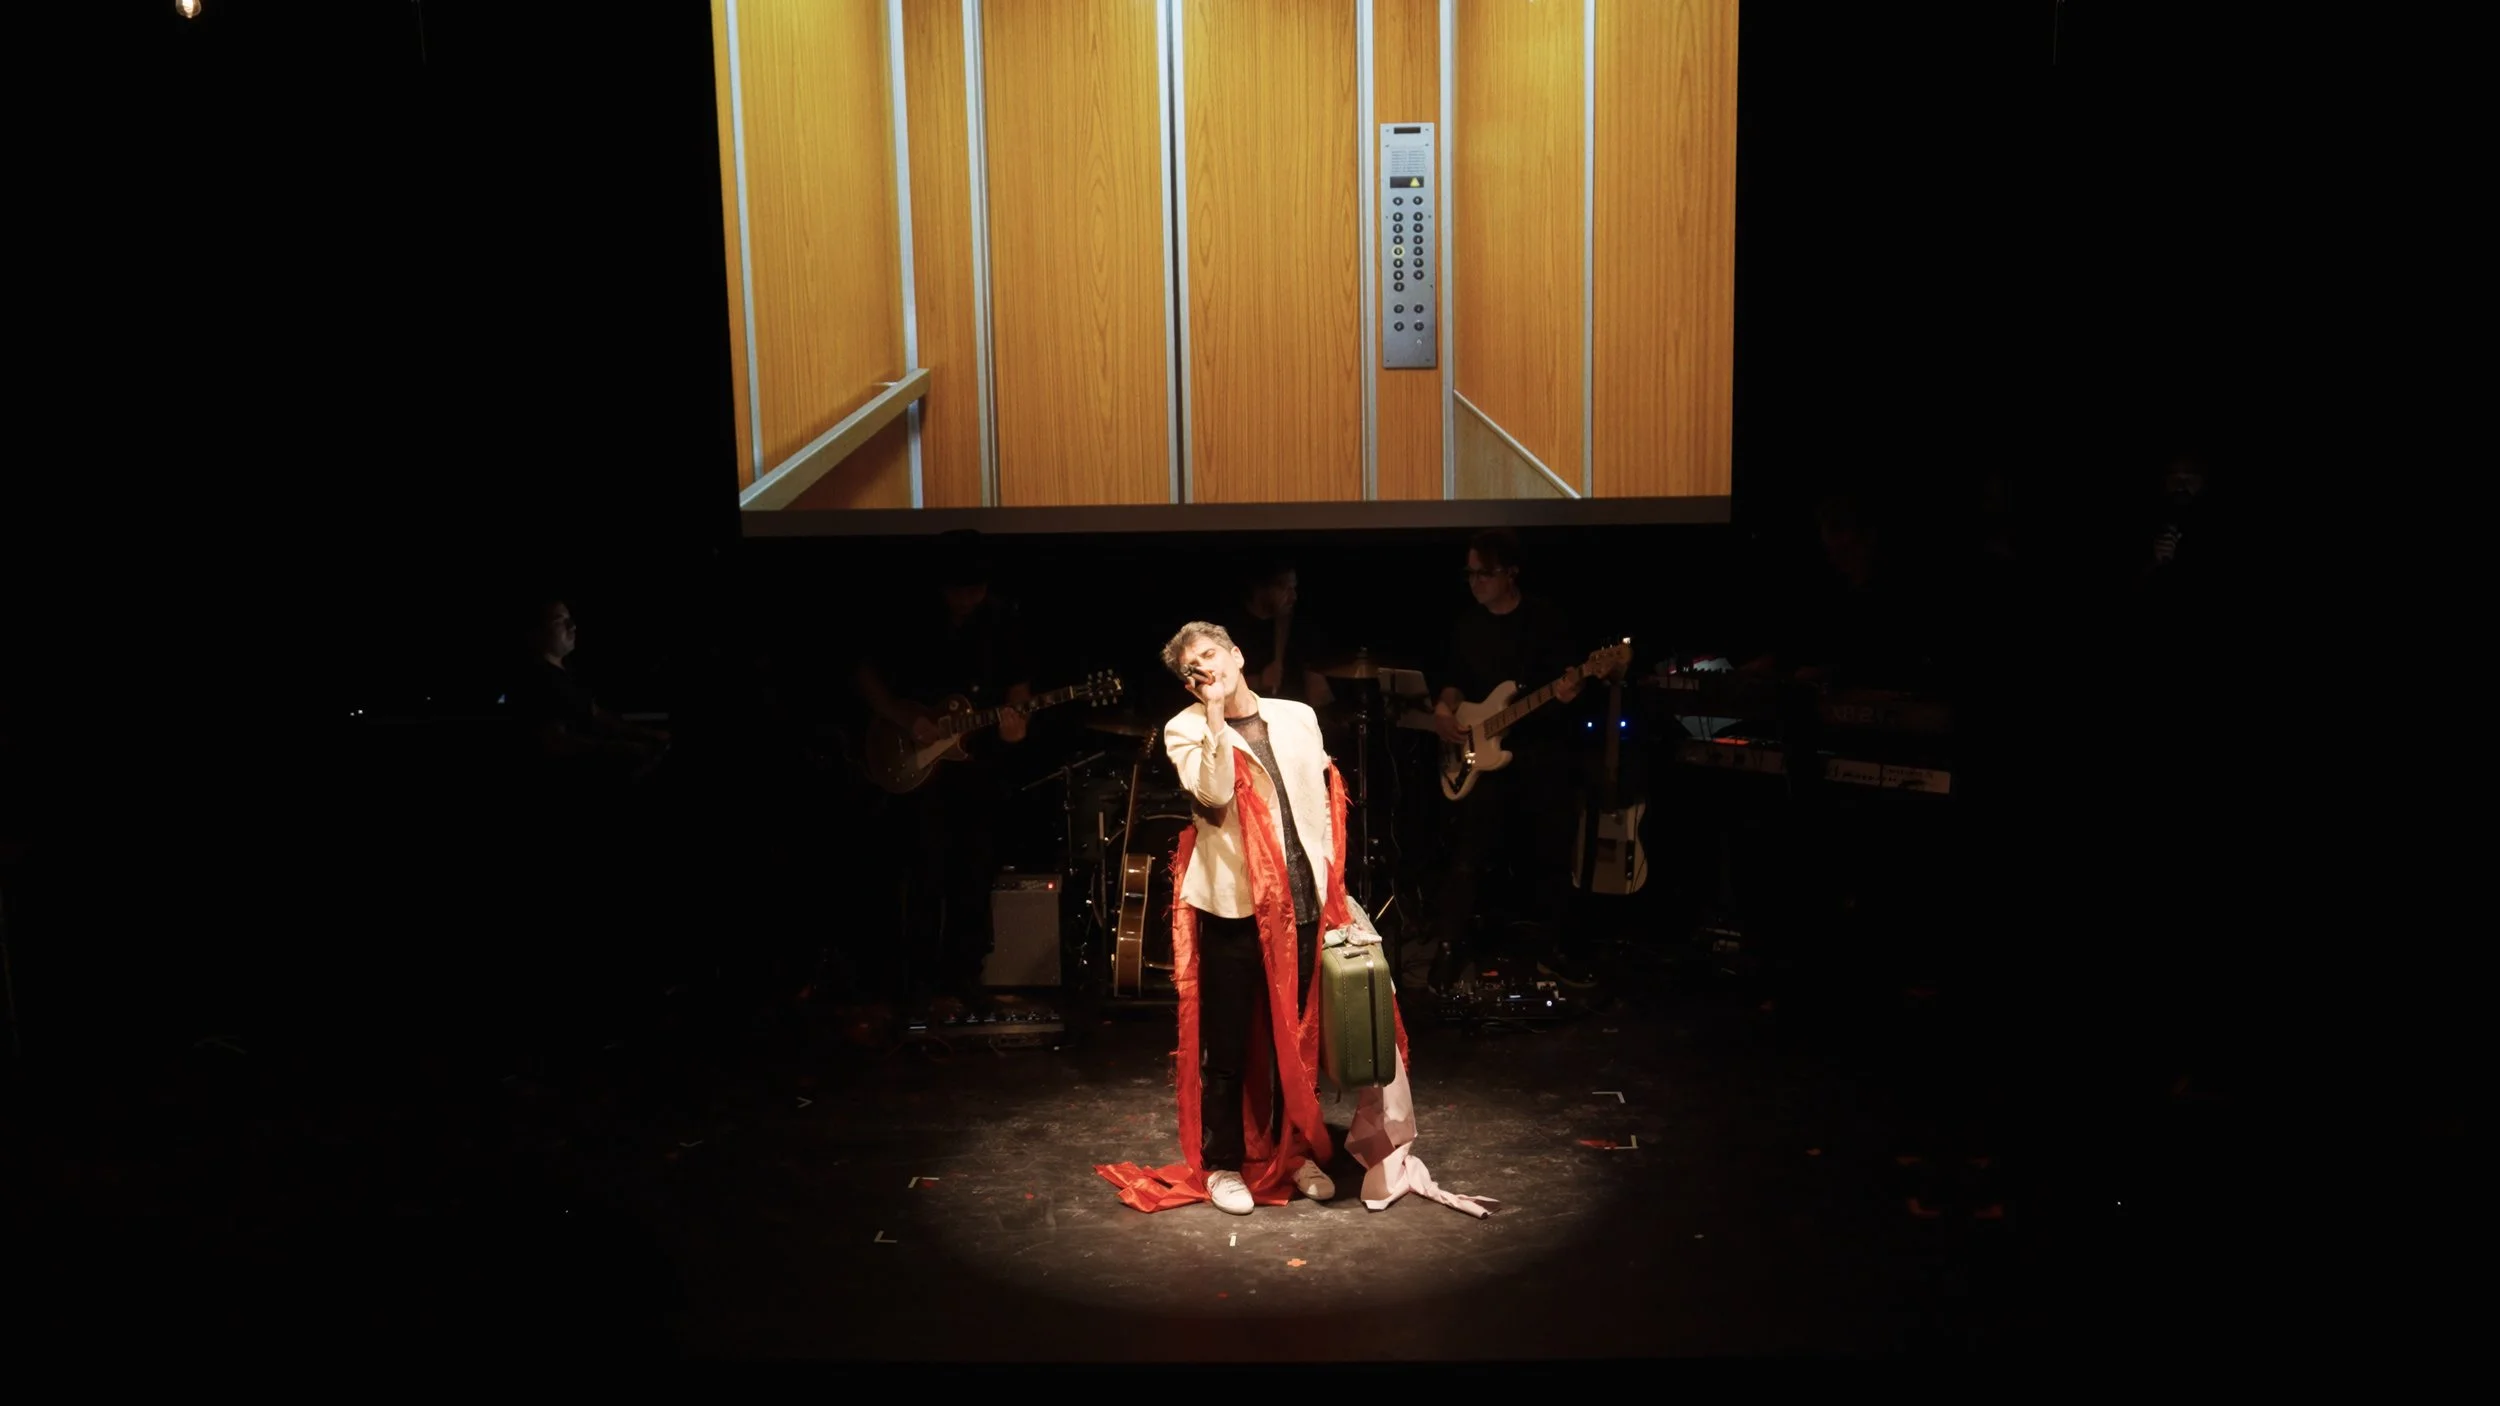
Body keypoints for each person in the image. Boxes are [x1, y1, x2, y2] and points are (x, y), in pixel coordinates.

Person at [853, 533, 1033, 1012]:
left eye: (976, 589)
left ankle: (965, 979)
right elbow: (866, 675)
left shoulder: (1002, 620)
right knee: (923, 873)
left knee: (975, 873)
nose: (968, 599)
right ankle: (915, 982)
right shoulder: (907, 618)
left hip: (978, 769)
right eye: (960, 590)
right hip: (916, 766)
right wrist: (903, 717)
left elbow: (1018, 687)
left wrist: (1017, 725)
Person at [1420, 529, 1598, 991]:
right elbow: (1454, 684)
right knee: (1468, 854)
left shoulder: (1546, 620)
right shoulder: (1467, 625)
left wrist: (1568, 689)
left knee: (1552, 855)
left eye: (1485, 573)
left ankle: (1555, 952)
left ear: (1511, 573)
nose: (1475, 582)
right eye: (1470, 573)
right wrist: (1443, 710)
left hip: (1540, 752)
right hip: (1481, 755)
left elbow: (1566, 686)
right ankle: (1447, 948)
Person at [1219, 558, 1333, 710]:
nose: (1293, 596)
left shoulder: (1297, 627)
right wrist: (1259, 681)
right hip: (1245, 715)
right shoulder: (1228, 630)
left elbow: (1317, 687)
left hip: (1292, 716)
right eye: (1284, 588)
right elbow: (1218, 686)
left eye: (1294, 588)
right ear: (1259, 588)